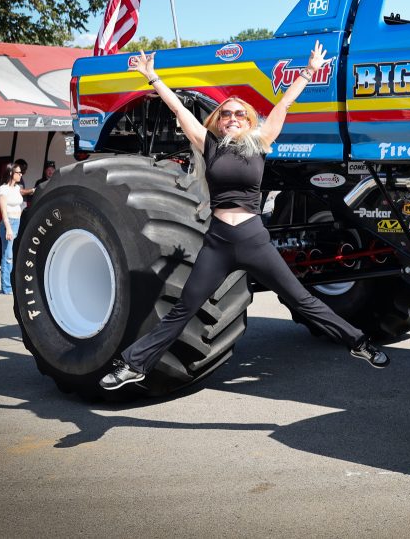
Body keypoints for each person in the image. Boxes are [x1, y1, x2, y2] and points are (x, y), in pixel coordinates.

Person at [100, 42, 389, 390]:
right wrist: (153, 78)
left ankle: (359, 343)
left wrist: (310, 71)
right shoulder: (208, 144)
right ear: (218, 122)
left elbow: (285, 102)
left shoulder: (262, 141)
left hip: (253, 239)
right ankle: (134, 365)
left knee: (301, 298)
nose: (232, 118)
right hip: (219, 241)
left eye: (239, 114)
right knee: (183, 309)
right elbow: (179, 109)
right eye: (226, 114)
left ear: (248, 120)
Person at [0, 162, 25, 295]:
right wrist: (8, 228)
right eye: (18, 173)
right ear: (10, 173)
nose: (21, 175)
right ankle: (6, 288)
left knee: (14, 255)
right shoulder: (3, 189)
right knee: (7, 256)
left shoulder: (17, 188)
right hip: (8, 223)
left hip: (18, 222)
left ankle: (13, 285)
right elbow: (3, 211)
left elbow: (23, 193)